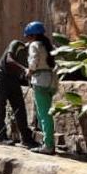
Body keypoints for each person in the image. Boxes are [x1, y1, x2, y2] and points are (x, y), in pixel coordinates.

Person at [0, 38, 38, 148]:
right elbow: (9, 60)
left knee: (20, 107)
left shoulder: (32, 54)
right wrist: (24, 70)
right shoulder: (16, 44)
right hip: (1, 76)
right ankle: (1, 137)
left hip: (14, 79)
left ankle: (26, 138)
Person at [24, 21, 57, 155]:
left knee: (43, 114)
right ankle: (48, 142)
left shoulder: (34, 45)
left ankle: (48, 145)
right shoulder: (49, 46)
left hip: (40, 80)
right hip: (51, 81)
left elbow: (33, 62)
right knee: (47, 113)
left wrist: (28, 72)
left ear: (31, 35)